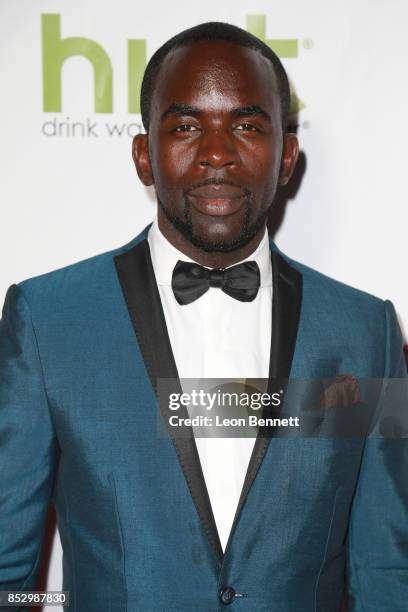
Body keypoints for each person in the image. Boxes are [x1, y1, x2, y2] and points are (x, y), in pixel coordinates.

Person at [0, 21, 407, 612]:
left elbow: (388, 568)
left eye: (246, 125)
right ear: (143, 156)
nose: (217, 154)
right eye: (186, 126)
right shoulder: (47, 321)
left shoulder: (364, 331)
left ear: (287, 157)